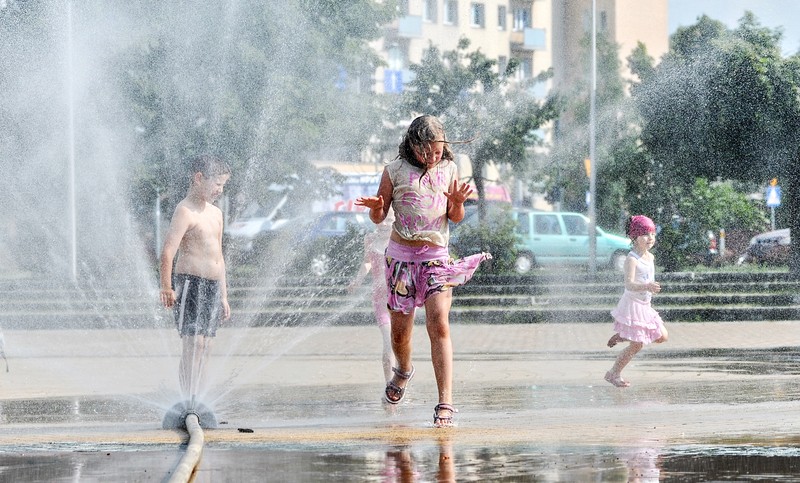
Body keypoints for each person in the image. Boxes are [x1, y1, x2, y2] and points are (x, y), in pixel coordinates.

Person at [355, 115, 491, 427]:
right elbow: (379, 217)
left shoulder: (449, 169)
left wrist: (457, 203)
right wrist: (376, 208)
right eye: (426, 152)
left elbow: (454, 216)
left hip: (436, 258)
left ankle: (446, 401)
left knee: (439, 324)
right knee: (399, 333)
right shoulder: (394, 170)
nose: (432, 157)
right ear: (412, 146)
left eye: (437, 151)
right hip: (401, 259)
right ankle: (403, 370)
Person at [159, 154, 232, 401]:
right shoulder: (185, 211)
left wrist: (224, 295)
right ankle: (187, 400)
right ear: (199, 178)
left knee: (207, 345)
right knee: (194, 344)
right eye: (217, 184)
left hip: (212, 286)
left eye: (223, 185)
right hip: (190, 284)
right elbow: (168, 252)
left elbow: (219, 257)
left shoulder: (216, 213)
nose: (220, 190)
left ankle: (198, 398)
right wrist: (166, 287)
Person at [605, 215, 668, 387]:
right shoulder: (632, 259)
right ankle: (613, 374)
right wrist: (647, 286)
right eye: (645, 234)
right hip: (633, 305)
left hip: (645, 305)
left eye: (653, 234)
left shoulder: (650, 257)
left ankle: (624, 335)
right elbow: (629, 284)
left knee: (662, 336)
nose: (650, 238)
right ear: (634, 236)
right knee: (637, 345)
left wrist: (649, 288)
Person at [347, 208, 396, 384]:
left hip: (400, 299)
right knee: (388, 342)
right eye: (381, 219)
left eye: (389, 220)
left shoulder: (398, 240)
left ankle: (401, 379)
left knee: (400, 342)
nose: (384, 224)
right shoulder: (370, 239)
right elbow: (367, 262)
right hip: (380, 300)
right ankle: (389, 384)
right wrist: (358, 280)